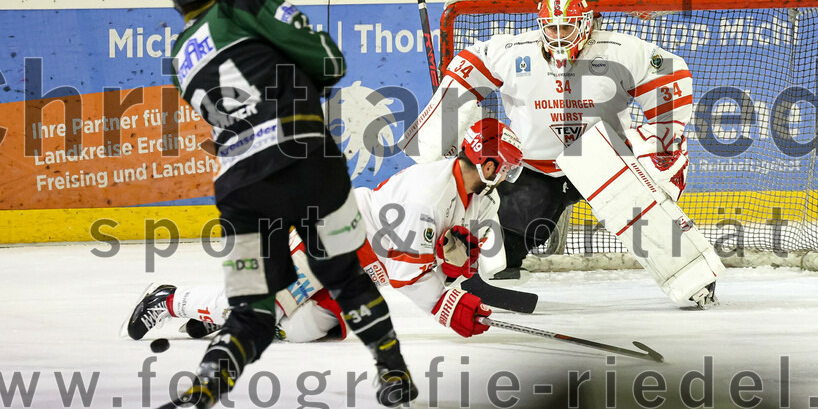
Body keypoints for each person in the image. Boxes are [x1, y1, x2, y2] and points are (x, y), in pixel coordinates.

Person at [143, 0, 419, 409]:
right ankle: (394, 372)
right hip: (307, 159)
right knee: (344, 276)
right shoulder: (244, 6)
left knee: (252, 309)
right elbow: (330, 61)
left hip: (240, 187)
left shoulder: (179, 57)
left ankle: (207, 383)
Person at [399, 0, 719, 308]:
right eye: (551, 28)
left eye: (566, 27)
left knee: (645, 217)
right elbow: (467, 66)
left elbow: (670, 75)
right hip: (537, 167)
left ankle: (693, 280)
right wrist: (437, 136)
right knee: (505, 241)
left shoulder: (618, 50)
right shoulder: (514, 52)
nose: (558, 35)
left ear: (585, 24)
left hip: (603, 162)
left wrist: (663, 141)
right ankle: (483, 268)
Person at [125, 118, 524, 344]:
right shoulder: (429, 194)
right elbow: (408, 274)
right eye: (505, 165)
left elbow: (444, 258)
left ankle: (223, 319)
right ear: (488, 165)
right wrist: (448, 305)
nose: (508, 174)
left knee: (302, 331)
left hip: (364, 270)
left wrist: (455, 270)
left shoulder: (478, 198)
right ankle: (171, 299)